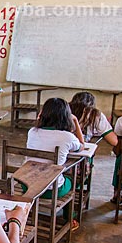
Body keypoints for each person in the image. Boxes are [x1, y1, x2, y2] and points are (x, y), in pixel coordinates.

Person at [26, 98, 84, 231]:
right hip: (51, 191)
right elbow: (82, 146)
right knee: (73, 179)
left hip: (27, 185)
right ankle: (69, 218)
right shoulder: (67, 137)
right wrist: (75, 121)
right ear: (66, 117)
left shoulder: (32, 132)